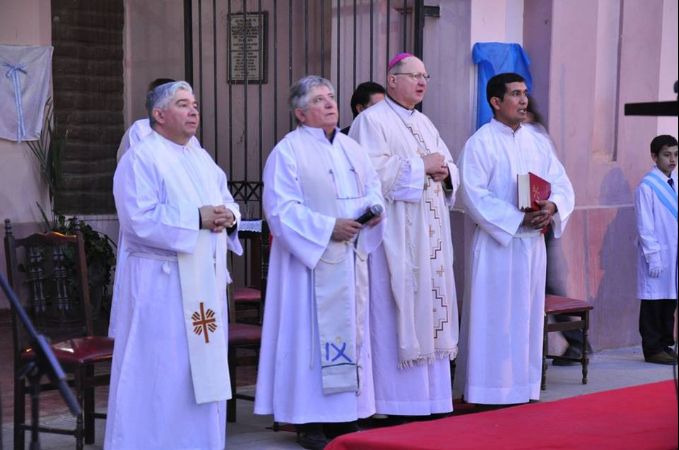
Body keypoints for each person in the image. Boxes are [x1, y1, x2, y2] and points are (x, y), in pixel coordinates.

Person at [106, 81, 242, 449]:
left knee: (198, 374)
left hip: (203, 284)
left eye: (194, 104)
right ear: (159, 114)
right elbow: (137, 220)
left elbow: (226, 198)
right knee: (161, 373)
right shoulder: (141, 158)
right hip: (161, 287)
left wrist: (229, 216)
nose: (193, 110)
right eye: (183, 104)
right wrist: (197, 218)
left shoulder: (200, 157)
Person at [253, 75, 385, 450]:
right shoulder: (287, 152)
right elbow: (280, 209)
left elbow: (373, 188)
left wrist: (373, 212)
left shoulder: (352, 148)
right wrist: (328, 228)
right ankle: (308, 420)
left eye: (331, 97)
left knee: (350, 333)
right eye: (318, 100)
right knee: (307, 338)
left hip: (349, 259)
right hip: (308, 267)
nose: (329, 104)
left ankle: (345, 415)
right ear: (300, 112)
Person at [349, 53, 460, 419]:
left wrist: (446, 173)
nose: (422, 81)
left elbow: (447, 163)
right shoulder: (370, 121)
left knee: (429, 308)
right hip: (394, 239)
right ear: (392, 80)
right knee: (393, 311)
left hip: (430, 238)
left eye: (425, 76)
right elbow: (368, 174)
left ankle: (432, 400)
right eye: (414, 75)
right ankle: (393, 402)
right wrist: (420, 166)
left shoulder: (425, 122)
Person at [454, 73, 575, 406]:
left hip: (532, 245)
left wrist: (552, 206)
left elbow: (561, 183)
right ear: (496, 102)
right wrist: (517, 218)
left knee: (526, 316)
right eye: (516, 94)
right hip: (498, 246)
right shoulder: (480, 143)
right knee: (493, 316)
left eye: (525, 93)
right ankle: (488, 390)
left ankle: (523, 387)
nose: (523, 100)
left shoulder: (537, 140)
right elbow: (473, 195)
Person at [523, 95, 591, 365]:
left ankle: (577, 341)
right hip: (528, 218)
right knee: (542, 284)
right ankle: (575, 342)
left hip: (540, 217)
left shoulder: (534, 136)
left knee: (547, 285)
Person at [635, 134, 678, 365]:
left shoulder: (676, 182)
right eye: (666, 155)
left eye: (676, 155)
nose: (672, 160)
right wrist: (653, 256)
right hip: (657, 254)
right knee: (654, 301)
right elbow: (645, 226)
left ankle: (665, 344)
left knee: (670, 300)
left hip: (674, 254)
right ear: (654, 156)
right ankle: (652, 349)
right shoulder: (647, 186)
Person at [116, 77, 202, 162]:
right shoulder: (140, 130)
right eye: (183, 105)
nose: (194, 112)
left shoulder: (192, 140)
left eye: (194, 106)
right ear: (159, 113)